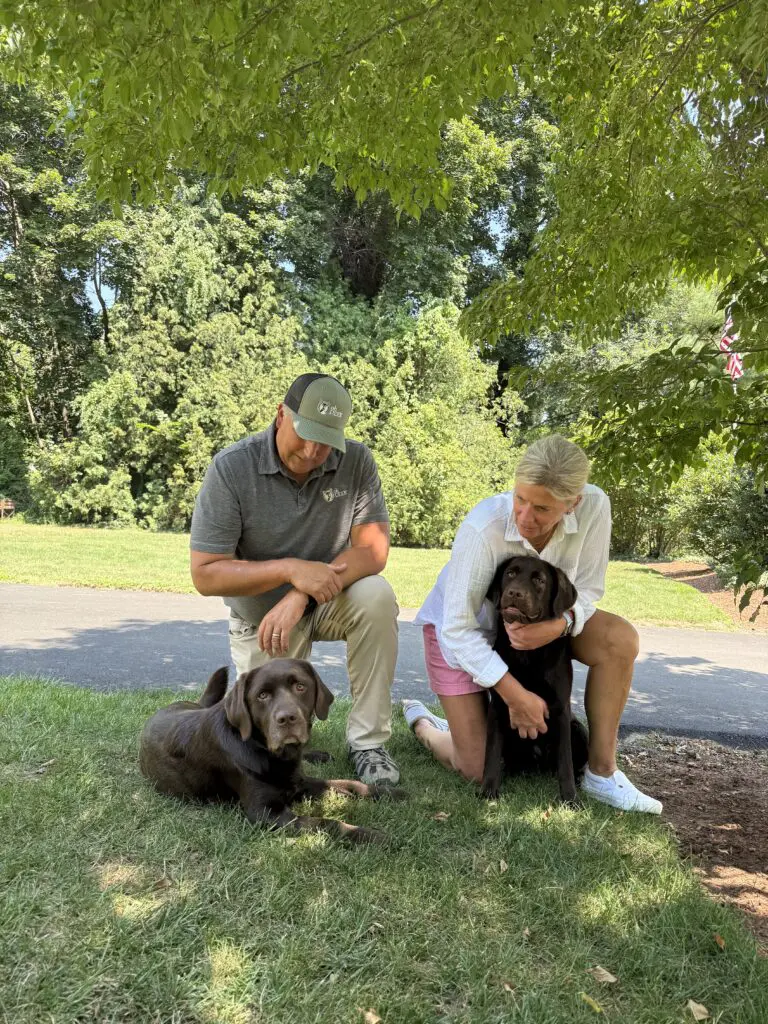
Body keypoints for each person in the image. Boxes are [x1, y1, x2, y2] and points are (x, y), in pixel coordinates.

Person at [403, 434, 662, 813]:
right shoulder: (483, 528)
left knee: (620, 639)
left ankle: (602, 774)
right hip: (465, 635)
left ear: (573, 503)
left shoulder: (594, 507)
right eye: (519, 499)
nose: (525, 517)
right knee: (476, 767)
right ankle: (426, 724)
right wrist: (514, 695)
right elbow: (456, 629)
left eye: (541, 508)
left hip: (547, 629)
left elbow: (589, 588)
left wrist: (561, 624)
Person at [189, 372, 400, 786]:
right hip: (262, 620)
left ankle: (369, 743)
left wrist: (301, 593)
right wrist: (289, 570)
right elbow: (205, 573)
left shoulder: (357, 461)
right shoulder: (232, 467)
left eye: (327, 441)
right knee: (260, 737)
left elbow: (373, 551)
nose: (313, 450)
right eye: (306, 434)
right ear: (281, 415)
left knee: (376, 596)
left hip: (325, 600)